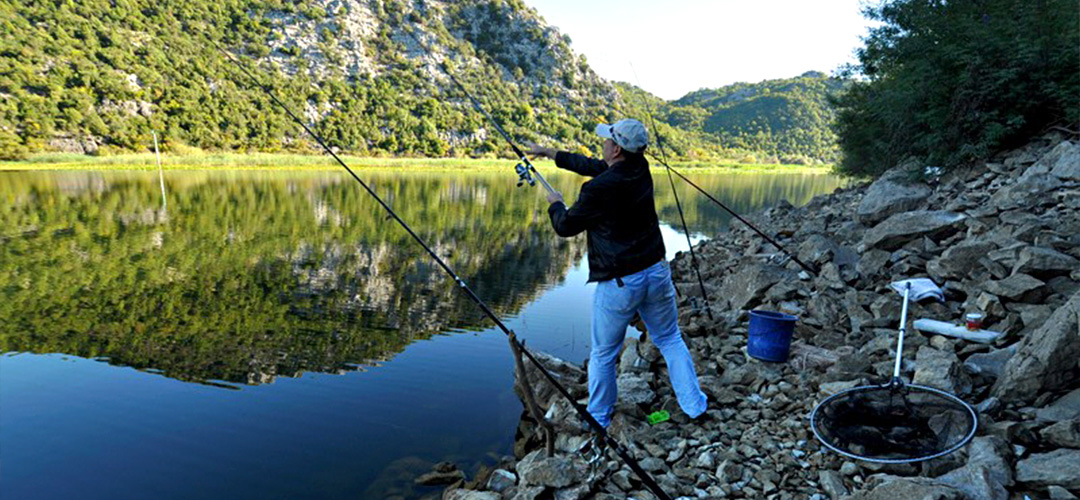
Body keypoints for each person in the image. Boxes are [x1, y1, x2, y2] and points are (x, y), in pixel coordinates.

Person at [527, 119, 708, 429]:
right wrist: (551, 153)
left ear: (617, 148)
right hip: (656, 271)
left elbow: (566, 226)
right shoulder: (640, 167)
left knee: (603, 353)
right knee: (669, 338)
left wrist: (556, 204)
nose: (603, 144)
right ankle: (695, 406)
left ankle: (598, 417)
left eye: (607, 140)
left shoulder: (599, 189)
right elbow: (594, 165)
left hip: (621, 281)